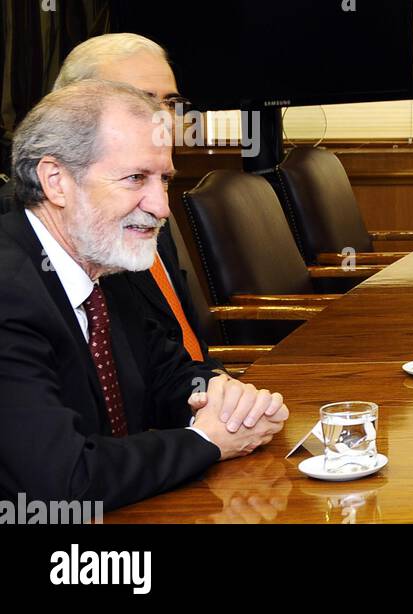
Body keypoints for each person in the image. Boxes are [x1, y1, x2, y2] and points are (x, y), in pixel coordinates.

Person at [0, 80, 288, 511]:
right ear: (56, 182)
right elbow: (65, 480)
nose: (161, 206)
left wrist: (226, 399)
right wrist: (208, 440)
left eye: (165, 181)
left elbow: (166, 376)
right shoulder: (9, 291)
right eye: (136, 178)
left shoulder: (106, 263)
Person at [0, 33, 218, 370]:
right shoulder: (68, 229)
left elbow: (168, 350)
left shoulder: (147, 198)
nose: (162, 120)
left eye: (169, 103)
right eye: (139, 101)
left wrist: (213, 389)